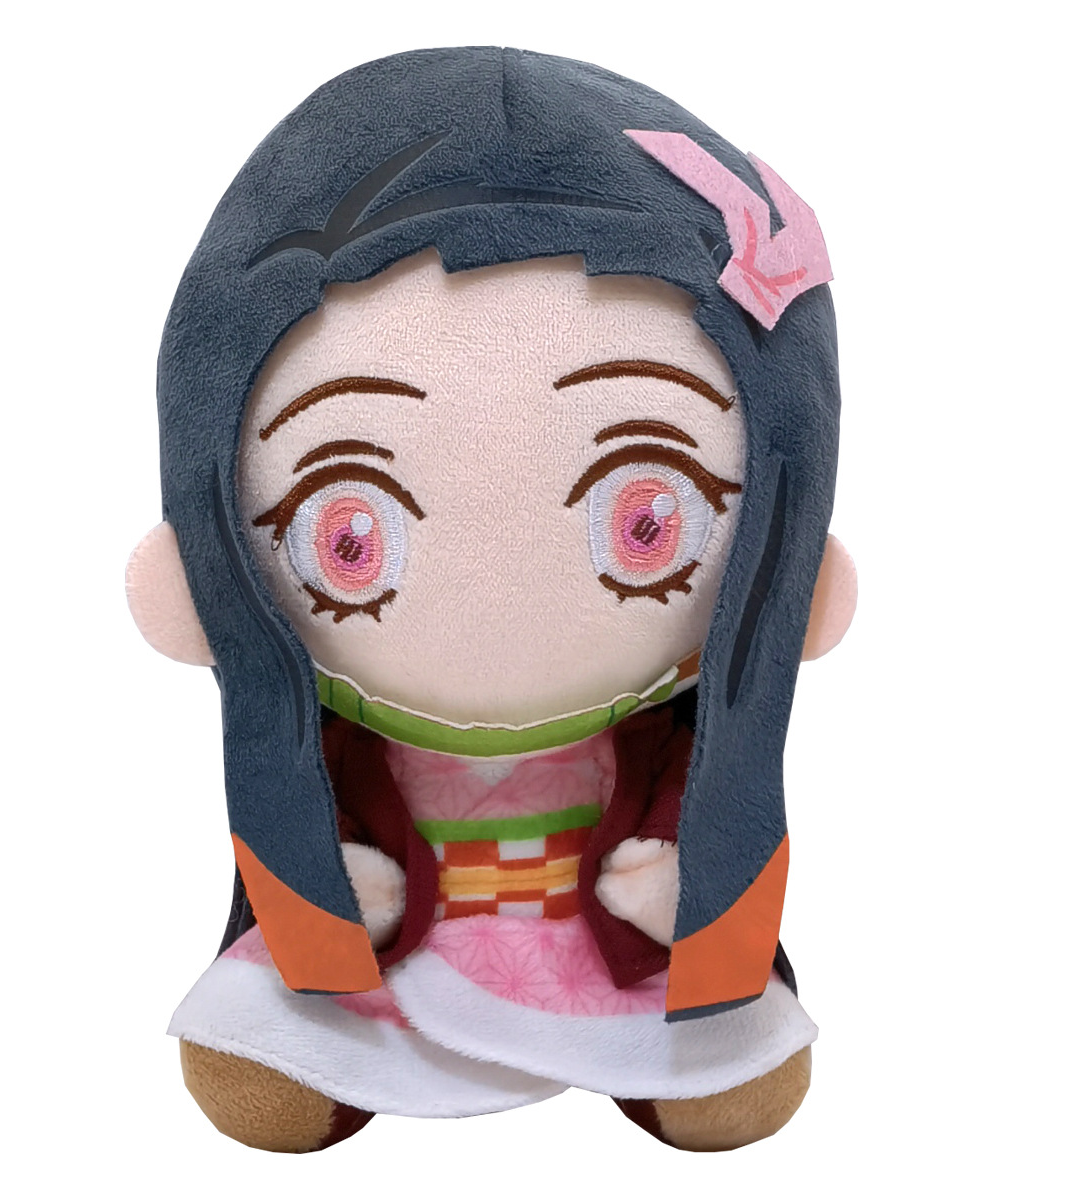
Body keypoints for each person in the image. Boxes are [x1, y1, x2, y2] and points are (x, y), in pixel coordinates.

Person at [127, 46, 856, 1153]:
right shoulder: (319, 730)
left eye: (646, 521)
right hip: (395, 942)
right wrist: (343, 882)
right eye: (350, 536)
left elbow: (683, 789)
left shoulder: (671, 723)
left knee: (722, 1064)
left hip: (600, 936)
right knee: (275, 1040)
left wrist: (678, 884)